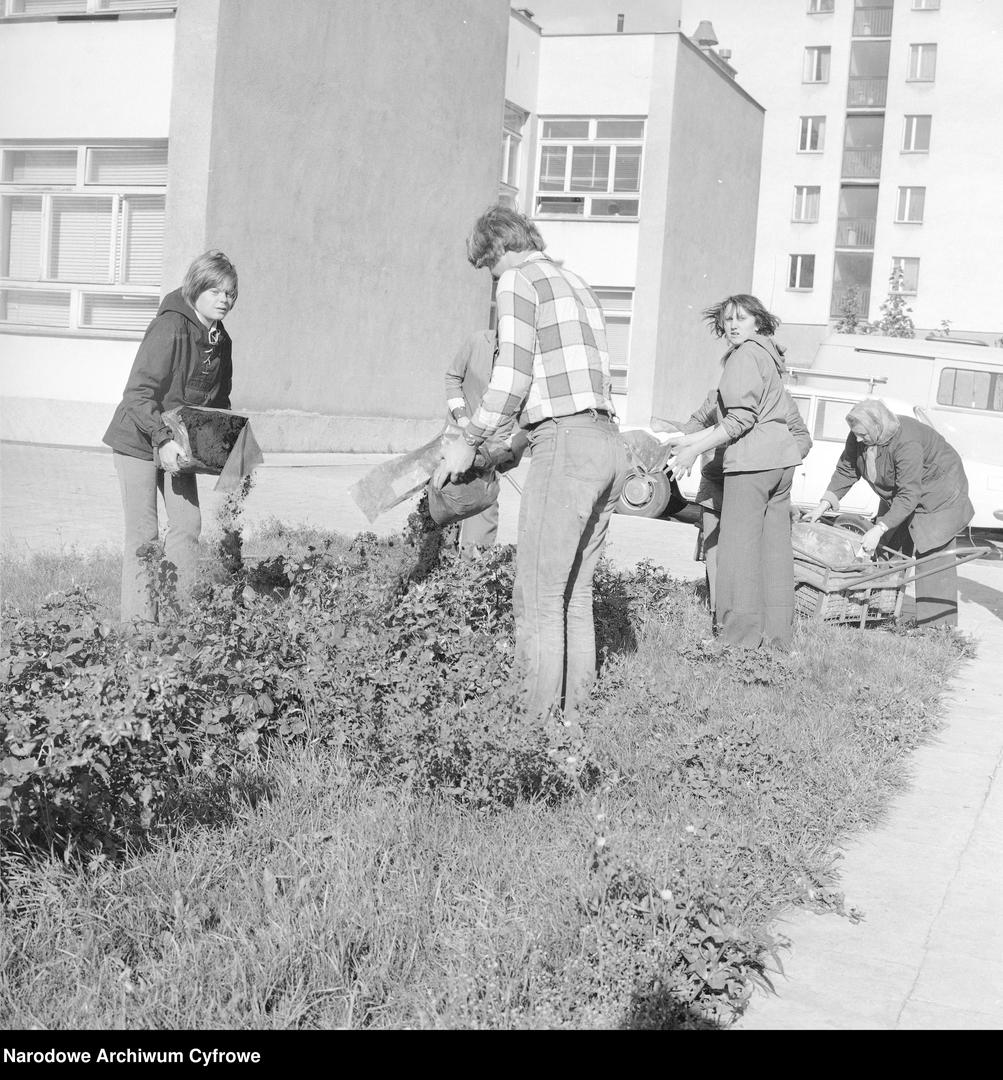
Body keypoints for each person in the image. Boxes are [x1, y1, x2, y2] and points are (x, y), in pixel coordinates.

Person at [433, 205, 629, 719]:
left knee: (538, 595)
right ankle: (575, 720)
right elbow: (569, 383)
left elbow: (513, 376)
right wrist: (517, 443)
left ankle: (530, 729)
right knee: (575, 595)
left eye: (487, 265)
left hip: (566, 444)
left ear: (498, 248)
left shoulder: (518, 280)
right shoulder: (577, 283)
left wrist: (469, 440)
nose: (490, 277)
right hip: (607, 442)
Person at [102, 250, 238, 624]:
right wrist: (162, 440)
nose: (224, 300)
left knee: (187, 525)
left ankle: (179, 620)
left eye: (230, 293)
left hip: (178, 446)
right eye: (216, 291)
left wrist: (227, 449)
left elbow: (218, 403)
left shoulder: (220, 340)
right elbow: (137, 393)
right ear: (196, 288)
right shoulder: (170, 327)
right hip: (137, 439)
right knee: (144, 535)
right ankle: (139, 627)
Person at [662, 294, 802, 650]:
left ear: (758, 321)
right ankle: (777, 639)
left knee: (737, 552)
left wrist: (693, 451)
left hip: (752, 463)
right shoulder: (768, 354)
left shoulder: (743, 355)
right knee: (774, 552)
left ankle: (738, 640)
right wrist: (689, 439)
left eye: (741, 317)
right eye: (728, 319)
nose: (733, 325)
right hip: (781, 462)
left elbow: (740, 420)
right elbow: (752, 416)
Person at [805, 399, 974, 627]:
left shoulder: (906, 442)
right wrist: (823, 505)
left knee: (933, 557)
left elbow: (909, 494)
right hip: (901, 493)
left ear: (877, 426)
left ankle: (937, 628)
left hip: (938, 494)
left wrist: (879, 528)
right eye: (855, 434)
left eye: (862, 434)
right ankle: (882, 612)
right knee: (888, 548)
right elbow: (847, 469)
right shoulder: (860, 434)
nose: (858, 439)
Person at [655, 386, 812, 620]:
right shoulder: (718, 395)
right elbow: (699, 424)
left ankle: (746, 615)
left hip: (754, 486)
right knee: (714, 553)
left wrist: (775, 464)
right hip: (716, 483)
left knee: (748, 554)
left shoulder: (779, 398)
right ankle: (719, 615)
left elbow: (802, 439)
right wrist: (686, 444)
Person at [443, 329, 512, 552]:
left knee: (481, 521)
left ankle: (472, 570)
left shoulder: (523, 354)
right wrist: (462, 417)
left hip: (489, 452)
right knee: (445, 511)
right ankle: (441, 564)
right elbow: (452, 378)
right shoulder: (476, 341)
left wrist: (504, 448)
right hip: (456, 439)